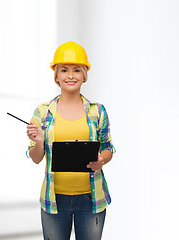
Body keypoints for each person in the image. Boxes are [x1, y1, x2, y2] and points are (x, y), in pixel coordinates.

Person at [26, 41, 115, 240]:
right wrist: (39, 141)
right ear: (56, 75)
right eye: (64, 70)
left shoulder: (98, 111)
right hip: (54, 199)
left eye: (77, 70)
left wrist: (102, 160)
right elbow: (36, 158)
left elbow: (108, 147)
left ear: (85, 74)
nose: (70, 75)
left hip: (91, 199)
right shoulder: (42, 112)